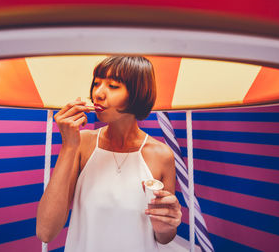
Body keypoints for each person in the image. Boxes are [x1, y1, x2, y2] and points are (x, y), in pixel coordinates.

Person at [36, 56, 182, 252]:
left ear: (138, 93)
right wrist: (68, 146)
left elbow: (164, 238)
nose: (98, 93)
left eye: (113, 86)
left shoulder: (162, 155)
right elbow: (46, 231)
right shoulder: (82, 144)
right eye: (96, 83)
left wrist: (166, 226)